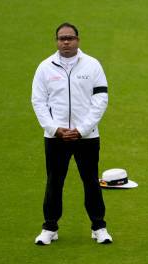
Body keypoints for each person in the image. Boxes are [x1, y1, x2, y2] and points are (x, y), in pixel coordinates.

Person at [31, 22, 112, 245]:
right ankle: (49, 228)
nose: (66, 42)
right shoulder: (45, 67)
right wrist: (54, 129)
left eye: (70, 38)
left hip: (86, 137)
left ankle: (99, 227)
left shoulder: (92, 65)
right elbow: (38, 102)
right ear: (56, 41)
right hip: (56, 138)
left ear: (78, 40)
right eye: (61, 38)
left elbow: (100, 99)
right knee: (55, 182)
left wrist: (82, 129)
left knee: (90, 182)